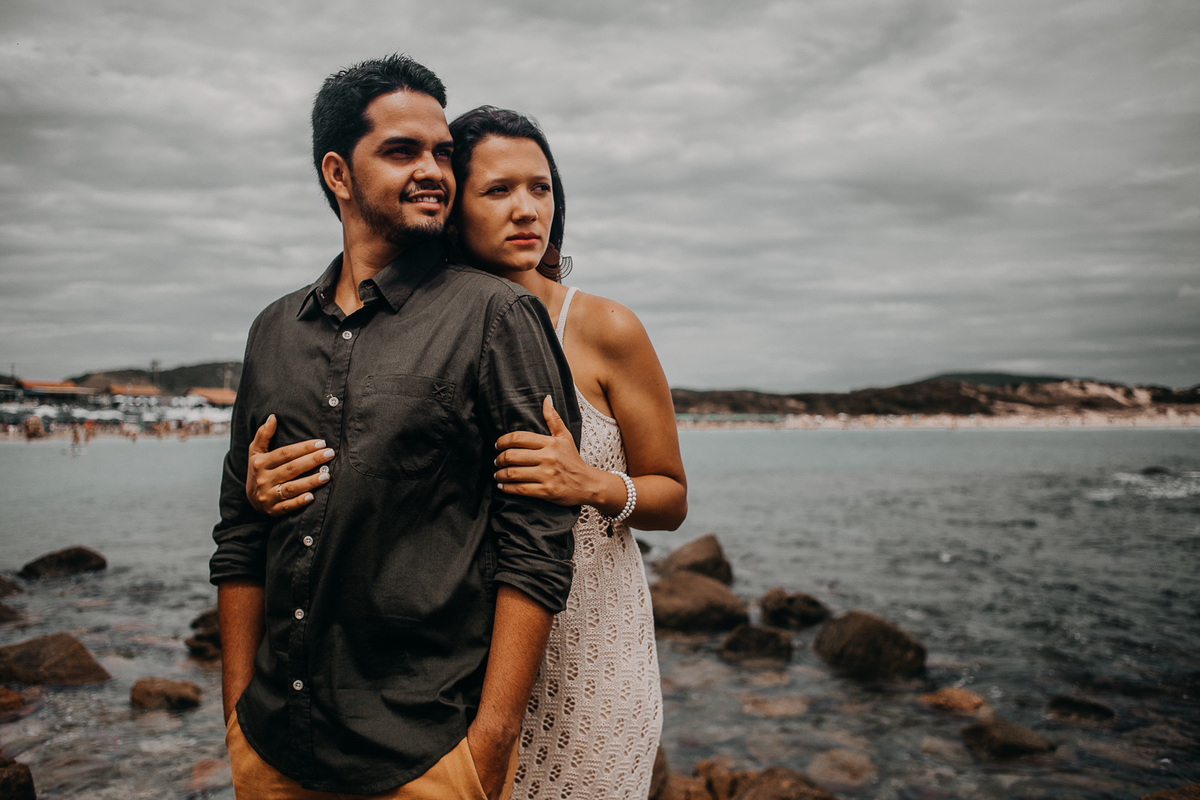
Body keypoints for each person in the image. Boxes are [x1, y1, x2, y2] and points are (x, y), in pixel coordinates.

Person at [247, 106, 688, 798]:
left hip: (588, 647)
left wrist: (594, 484)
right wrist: (265, 484)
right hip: (462, 665)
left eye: (540, 189)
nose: (525, 210)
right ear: (453, 208)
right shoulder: (414, 329)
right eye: (498, 190)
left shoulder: (605, 328)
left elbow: (671, 494)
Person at [210, 55, 582, 800]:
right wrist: (236, 716)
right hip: (272, 745)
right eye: (402, 151)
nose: (434, 171)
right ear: (338, 174)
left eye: (443, 152)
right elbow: (239, 534)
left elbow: (536, 540)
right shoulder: (273, 330)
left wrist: (491, 743)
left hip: (426, 757)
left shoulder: (496, 317)